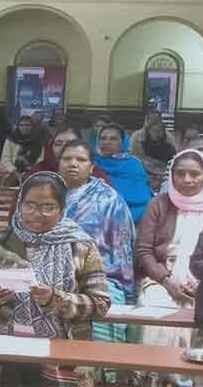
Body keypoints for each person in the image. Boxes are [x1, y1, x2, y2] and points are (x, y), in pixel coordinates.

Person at [0, 172, 110, 385]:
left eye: (48, 207)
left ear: (62, 210)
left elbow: (100, 303)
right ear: (19, 205)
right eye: (30, 205)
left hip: (62, 352)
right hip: (4, 349)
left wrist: (55, 299)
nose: (37, 214)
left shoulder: (81, 246)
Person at [136, 149, 203, 386]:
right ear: (172, 176)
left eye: (195, 174)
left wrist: (199, 283)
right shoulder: (159, 204)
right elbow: (144, 251)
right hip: (161, 278)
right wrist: (167, 281)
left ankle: (189, 380)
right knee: (155, 305)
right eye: (180, 173)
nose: (187, 180)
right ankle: (154, 377)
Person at [58, 140, 135, 352]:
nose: (73, 164)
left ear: (92, 167)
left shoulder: (108, 200)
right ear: (58, 162)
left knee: (102, 302)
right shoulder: (45, 193)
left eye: (81, 159)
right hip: (49, 275)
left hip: (101, 276)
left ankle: (96, 371)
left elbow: (121, 252)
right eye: (67, 158)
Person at [93, 123, 152, 223]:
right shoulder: (91, 163)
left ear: (123, 142)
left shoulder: (133, 165)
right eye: (103, 138)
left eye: (113, 138)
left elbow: (142, 198)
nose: (107, 142)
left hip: (132, 216)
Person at [24, 125, 111, 184]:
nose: (64, 148)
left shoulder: (96, 176)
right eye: (58, 144)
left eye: (71, 143)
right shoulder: (37, 173)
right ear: (50, 147)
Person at [129, 112, 177, 192]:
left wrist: (162, 174)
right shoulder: (136, 136)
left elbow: (174, 159)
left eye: (156, 119)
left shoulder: (168, 138)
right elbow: (135, 158)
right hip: (143, 172)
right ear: (146, 120)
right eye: (151, 119)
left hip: (164, 175)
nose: (153, 122)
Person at [0, 115, 45, 185]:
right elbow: (5, 158)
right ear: (18, 126)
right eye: (22, 125)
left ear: (32, 126)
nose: (24, 127)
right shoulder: (11, 139)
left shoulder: (38, 140)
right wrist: (15, 171)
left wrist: (28, 172)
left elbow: (40, 159)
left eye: (27, 125)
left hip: (32, 173)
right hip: (11, 172)